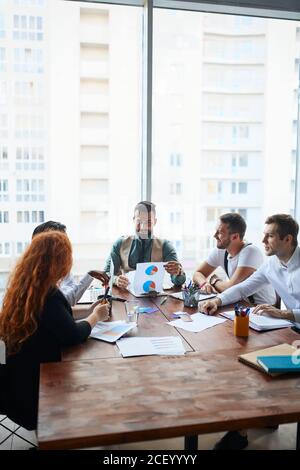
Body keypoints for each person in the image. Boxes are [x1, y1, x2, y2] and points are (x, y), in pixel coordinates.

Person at [200, 213, 300, 450]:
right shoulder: (272, 264)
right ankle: (250, 424)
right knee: (240, 362)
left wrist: (287, 313)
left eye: (270, 236)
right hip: (292, 330)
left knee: (254, 363)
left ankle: (254, 422)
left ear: (287, 239)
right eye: (263, 234)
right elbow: (244, 287)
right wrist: (217, 299)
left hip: (291, 326)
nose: (263, 240)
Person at [0, 231, 110, 430]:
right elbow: (72, 335)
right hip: (36, 397)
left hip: (14, 387)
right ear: (59, 261)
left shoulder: (27, 289)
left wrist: (90, 310)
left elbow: (57, 319)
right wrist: (96, 317)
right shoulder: (49, 295)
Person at [193, 213, 276, 305]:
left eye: (220, 232)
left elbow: (230, 288)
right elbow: (197, 274)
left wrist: (214, 281)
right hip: (238, 304)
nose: (214, 236)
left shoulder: (251, 252)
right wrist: (204, 284)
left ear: (235, 236)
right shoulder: (221, 250)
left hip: (260, 308)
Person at [104, 201, 186, 288]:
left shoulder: (165, 246)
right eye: (139, 221)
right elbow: (106, 274)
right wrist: (116, 280)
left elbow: (178, 281)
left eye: (149, 222)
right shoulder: (120, 244)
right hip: (125, 297)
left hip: (154, 297)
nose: (143, 227)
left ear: (155, 222)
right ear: (133, 220)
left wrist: (178, 273)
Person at [32, 221, 109, 306]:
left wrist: (90, 311)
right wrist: (95, 316)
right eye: (61, 243)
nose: (66, 247)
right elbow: (63, 302)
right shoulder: (39, 281)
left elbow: (68, 300)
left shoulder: (58, 267)